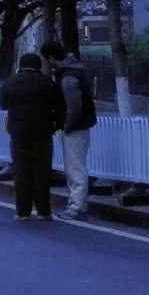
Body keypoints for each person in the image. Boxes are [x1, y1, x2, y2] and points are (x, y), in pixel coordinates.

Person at [0, 52, 65, 221]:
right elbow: (60, 105)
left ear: (20, 64)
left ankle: (23, 212)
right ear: (38, 65)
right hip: (42, 133)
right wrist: (56, 124)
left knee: (21, 172)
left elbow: (2, 102)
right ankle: (44, 211)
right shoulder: (47, 83)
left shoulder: (10, 82)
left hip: (18, 133)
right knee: (42, 172)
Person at [41, 40, 98, 219]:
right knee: (76, 166)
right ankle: (77, 205)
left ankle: (77, 207)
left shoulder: (67, 78)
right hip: (81, 125)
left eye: (46, 59)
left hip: (76, 127)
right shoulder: (74, 72)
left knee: (75, 167)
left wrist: (67, 126)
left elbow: (74, 107)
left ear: (51, 58)